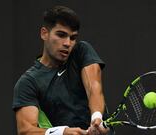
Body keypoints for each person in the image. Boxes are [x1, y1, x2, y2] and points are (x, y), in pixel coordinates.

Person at [12, 6, 110, 135]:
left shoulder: (81, 51)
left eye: (73, 38)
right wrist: (62, 132)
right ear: (44, 33)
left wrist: (96, 117)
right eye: (61, 35)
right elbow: (25, 130)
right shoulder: (28, 82)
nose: (67, 43)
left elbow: (94, 87)